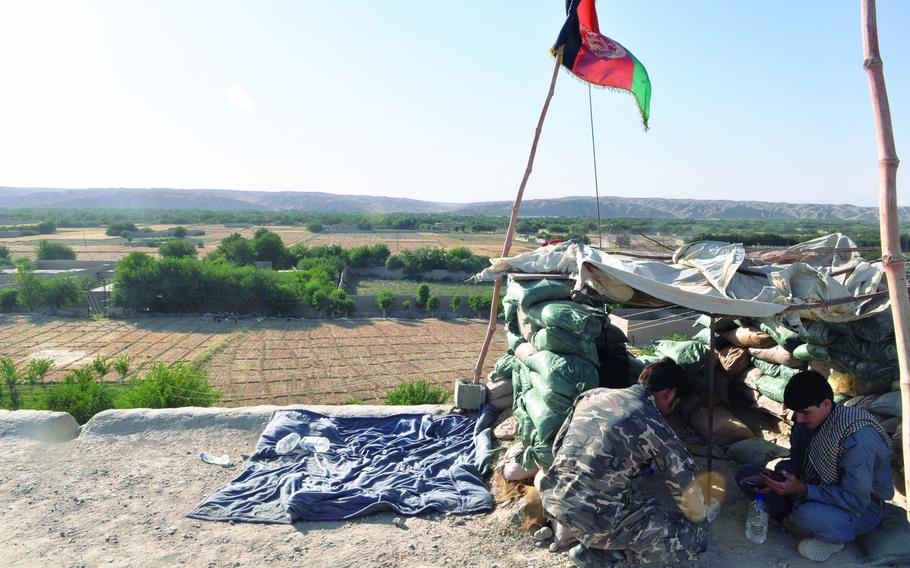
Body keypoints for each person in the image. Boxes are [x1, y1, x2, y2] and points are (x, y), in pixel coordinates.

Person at [539, 358, 713, 567]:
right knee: (694, 540)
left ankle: (593, 541)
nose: (670, 412)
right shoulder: (655, 425)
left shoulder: (591, 396)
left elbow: (557, 448)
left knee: (634, 492)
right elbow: (685, 488)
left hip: (554, 501)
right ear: (670, 394)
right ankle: (602, 556)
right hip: (597, 522)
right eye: (674, 405)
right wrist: (701, 522)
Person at [735, 369, 893, 562]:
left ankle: (832, 539)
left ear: (826, 404)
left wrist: (801, 489)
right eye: (796, 413)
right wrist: (778, 480)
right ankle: (793, 518)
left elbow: (855, 500)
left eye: (805, 413)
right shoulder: (804, 419)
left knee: (807, 515)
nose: (799, 419)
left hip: (861, 508)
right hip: (816, 485)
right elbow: (798, 459)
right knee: (745, 475)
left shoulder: (858, 441)